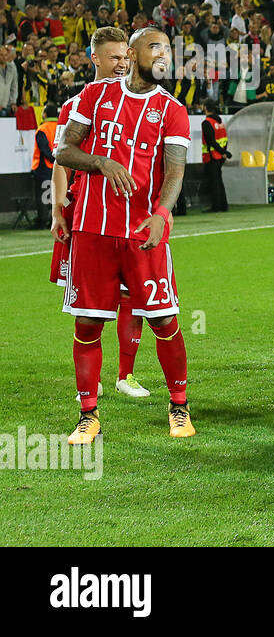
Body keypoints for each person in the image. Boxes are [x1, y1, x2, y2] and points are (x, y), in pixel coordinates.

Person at [56, 26, 195, 443]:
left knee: (164, 319)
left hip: (142, 234)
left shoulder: (171, 109)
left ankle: (179, 406)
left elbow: (175, 170)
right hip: (92, 230)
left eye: (167, 49)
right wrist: (100, 162)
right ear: (132, 56)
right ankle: (88, 415)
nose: (163, 55)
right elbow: (63, 151)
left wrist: (162, 213)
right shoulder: (94, 97)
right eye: (155, 48)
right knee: (87, 324)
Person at [51, 25, 151, 399]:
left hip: (130, 214)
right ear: (95, 58)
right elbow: (61, 161)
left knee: (131, 296)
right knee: (90, 302)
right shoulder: (79, 103)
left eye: (126, 56)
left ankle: (126, 375)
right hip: (89, 213)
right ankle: (88, 385)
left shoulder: (141, 101)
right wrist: (58, 208)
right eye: (115, 57)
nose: (123, 63)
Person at [200, 99, 229, 212]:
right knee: (219, 181)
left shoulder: (207, 123)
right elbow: (224, 139)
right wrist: (224, 152)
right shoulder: (220, 122)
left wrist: (221, 152)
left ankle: (217, 206)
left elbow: (210, 141)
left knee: (214, 183)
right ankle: (223, 205)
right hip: (220, 157)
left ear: (206, 107)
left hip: (211, 156)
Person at [32, 104, 58, 228]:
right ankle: (57, 217)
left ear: (45, 114)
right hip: (60, 167)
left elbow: (44, 150)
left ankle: (43, 220)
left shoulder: (42, 129)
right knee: (58, 194)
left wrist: (52, 159)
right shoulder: (61, 127)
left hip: (44, 167)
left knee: (43, 195)